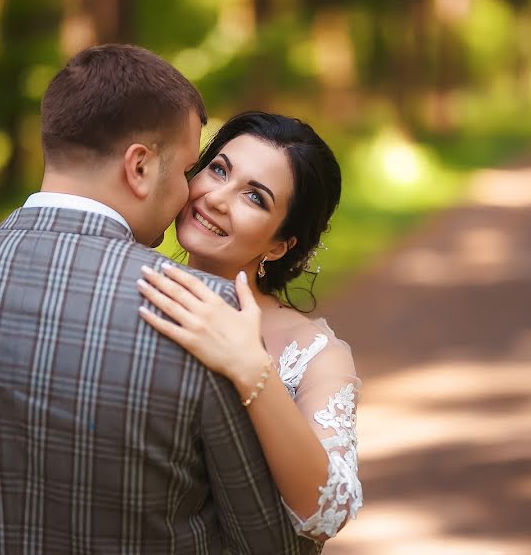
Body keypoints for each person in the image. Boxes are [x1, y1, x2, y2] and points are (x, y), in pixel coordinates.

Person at [0, 46, 320, 554]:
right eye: (186, 171)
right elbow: (267, 542)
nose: (191, 194)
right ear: (139, 167)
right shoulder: (202, 313)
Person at [136, 112, 362, 542]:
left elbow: (328, 511)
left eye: (254, 197)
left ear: (279, 245)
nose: (217, 199)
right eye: (218, 169)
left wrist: (250, 367)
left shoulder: (316, 354)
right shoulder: (131, 283)